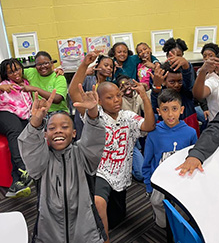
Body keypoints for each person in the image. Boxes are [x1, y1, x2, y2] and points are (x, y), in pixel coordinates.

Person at [70, 76, 155, 242]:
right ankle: (105, 239)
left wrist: (144, 97)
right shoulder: (96, 115)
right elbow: (85, 105)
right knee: (98, 202)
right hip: (100, 170)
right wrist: (85, 64)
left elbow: (149, 126)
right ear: (100, 101)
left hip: (121, 171)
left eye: (118, 95)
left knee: (117, 217)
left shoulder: (128, 116)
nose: (116, 100)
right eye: (109, 97)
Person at [18, 88, 107, 243]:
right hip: (49, 232)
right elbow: (30, 147)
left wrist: (92, 113)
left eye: (64, 127)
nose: (58, 131)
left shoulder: (83, 155)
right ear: (45, 134)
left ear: (74, 133)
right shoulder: (42, 160)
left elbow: (94, 139)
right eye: (52, 128)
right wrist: (36, 121)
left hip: (85, 231)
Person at [142, 89, 197, 228]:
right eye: (165, 109)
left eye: (174, 109)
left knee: (182, 206)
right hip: (159, 180)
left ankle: (181, 225)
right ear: (159, 111)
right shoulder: (153, 133)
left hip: (182, 178)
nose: (170, 114)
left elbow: (194, 157)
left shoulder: (190, 132)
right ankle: (162, 223)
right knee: (157, 202)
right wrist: (149, 185)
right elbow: (147, 161)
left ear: (181, 110)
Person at [0, 58, 33, 198]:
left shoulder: (26, 83)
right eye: (11, 72)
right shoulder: (4, 85)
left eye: (18, 69)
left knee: (23, 135)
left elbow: (42, 67)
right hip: (3, 113)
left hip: (23, 117)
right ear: (6, 74)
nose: (16, 73)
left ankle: (16, 182)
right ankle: (22, 168)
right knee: (15, 130)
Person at [70, 52, 114, 139]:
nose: (109, 68)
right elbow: (74, 90)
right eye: (106, 65)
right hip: (84, 116)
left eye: (111, 67)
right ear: (97, 66)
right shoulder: (88, 79)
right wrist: (85, 72)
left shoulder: (110, 85)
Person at [151, 62, 200, 136]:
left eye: (180, 81)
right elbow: (155, 107)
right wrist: (157, 86)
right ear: (164, 81)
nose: (177, 85)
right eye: (172, 82)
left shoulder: (186, 92)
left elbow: (188, 81)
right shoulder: (160, 94)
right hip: (167, 132)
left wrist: (186, 65)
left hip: (189, 126)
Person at [116, 74, 145, 181]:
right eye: (122, 86)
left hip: (136, 133)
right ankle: (128, 168)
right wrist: (119, 95)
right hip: (124, 137)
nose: (126, 87)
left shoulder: (138, 96)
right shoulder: (118, 100)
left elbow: (146, 112)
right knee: (140, 174)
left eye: (127, 84)